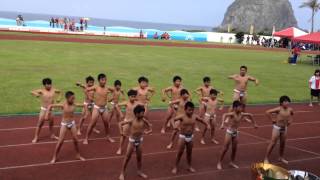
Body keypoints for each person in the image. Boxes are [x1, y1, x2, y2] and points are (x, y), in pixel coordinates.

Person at [46, 91, 85, 163]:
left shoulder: (74, 104)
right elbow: (50, 106)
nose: (73, 100)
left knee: (76, 140)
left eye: (74, 98)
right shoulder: (63, 105)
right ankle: (54, 157)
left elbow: (84, 105)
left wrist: (85, 111)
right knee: (60, 141)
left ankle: (78, 155)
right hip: (64, 124)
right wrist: (46, 114)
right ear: (67, 98)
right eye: (72, 98)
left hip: (72, 123)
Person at [171, 101, 210, 174]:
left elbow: (201, 120)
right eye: (189, 110)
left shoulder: (194, 116)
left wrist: (207, 124)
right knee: (180, 153)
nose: (191, 111)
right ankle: (175, 166)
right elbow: (173, 119)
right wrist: (174, 126)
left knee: (189, 153)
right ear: (185, 110)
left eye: (192, 110)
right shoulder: (182, 116)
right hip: (182, 137)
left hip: (190, 137)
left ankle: (189, 166)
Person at [217, 101, 257, 170]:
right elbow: (224, 115)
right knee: (225, 148)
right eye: (240, 107)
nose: (241, 108)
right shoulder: (232, 114)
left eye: (242, 107)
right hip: (229, 132)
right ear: (235, 108)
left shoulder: (242, 114)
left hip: (236, 132)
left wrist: (254, 124)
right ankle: (219, 162)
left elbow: (250, 115)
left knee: (234, 148)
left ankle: (232, 162)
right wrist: (222, 124)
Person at [119, 105, 152, 180]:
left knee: (139, 157)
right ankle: (122, 172)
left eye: (143, 112)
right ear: (136, 114)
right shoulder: (131, 120)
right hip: (132, 141)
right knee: (127, 157)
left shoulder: (144, 120)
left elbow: (150, 128)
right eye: (141, 113)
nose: (143, 114)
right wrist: (121, 132)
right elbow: (120, 124)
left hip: (140, 140)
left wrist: (148, 131)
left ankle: (139, 171)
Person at [83, 73, 115, 144]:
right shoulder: (95, 87)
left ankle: (108, 136)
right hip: (97, 108)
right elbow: (86, 90)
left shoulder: (107, 88)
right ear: (99, 80)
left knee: (106, 123)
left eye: (105, 80)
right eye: (103, 80)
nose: (104, 81)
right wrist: (89, 97)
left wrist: (111, 98)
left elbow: (115, 91)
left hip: (104, 108)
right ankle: (86, 138)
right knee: (92, 123)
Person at [264, 96, 294, 164]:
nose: (287, 103)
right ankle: (266, 158)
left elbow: (292, 114)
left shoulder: (290, 109)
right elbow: (267, 112)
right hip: (277, 128)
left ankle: (281, 157)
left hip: (284, 128)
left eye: (288, 101)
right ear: (281, 103)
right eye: (285, 101)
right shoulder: (279, 109)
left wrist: (291, 120)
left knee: (283, 143)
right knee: (273, 143)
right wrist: (272, 119)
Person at [31, 78, 61, 143]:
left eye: (50, 84)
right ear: (44, 85)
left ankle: (52, 135)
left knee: (51, 124)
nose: (49, 86)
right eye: (48, 84)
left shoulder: (54, 90)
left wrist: (59, 98)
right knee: (40, 124)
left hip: (51, 110)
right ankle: (36, 137)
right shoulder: (41, 91)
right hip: (44, 110)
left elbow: (60, 92)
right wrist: (36, 94)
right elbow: (32, 92)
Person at [116, 89, 140, 155]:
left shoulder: (137, 103)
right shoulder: (126, 103)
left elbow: (143, 107)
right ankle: (120, 148)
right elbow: (117, 105)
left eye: (134, 96)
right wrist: (120, 113)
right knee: (123, 136)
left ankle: (135, 146)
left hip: (134, 122)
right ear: (129, 97)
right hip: (127, 121)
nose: (133, 98)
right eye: (131, 96)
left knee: (135, 136)